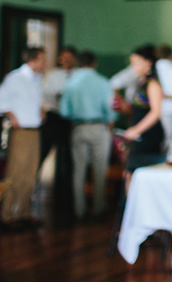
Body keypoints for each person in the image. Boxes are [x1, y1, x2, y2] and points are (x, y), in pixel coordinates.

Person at [59, 51, 117, 220]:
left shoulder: (71, 83)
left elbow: (64, 111)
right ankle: (99, 208)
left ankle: (79, 210)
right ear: (95, 63)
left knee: (78, 170)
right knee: (100, 169)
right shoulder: (103, 82)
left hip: (78, 127)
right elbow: (111, 108)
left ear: (78, 63)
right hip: (99, 127)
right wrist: (111, 123)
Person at [0, 47, 46, 227]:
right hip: (21, 131)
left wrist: (41, 109)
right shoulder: (15, 78)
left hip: (35, 130)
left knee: (30, 172)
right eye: (42, 59)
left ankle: (24, 211)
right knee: (15, 172)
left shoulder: (37, 80)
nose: (44, 63)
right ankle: (7, 214)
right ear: (33, 60)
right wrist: (11, 116)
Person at [120, 45, 165, 176]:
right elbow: (136, 109)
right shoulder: (139, 83)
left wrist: (137, 129)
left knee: (138, 172)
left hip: (148, 134)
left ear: (148, 63)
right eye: (133, 63)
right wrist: (123, 106)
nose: (134, 67)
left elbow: (156, 113)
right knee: (130, 172)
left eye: (137, 63)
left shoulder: (153, 85)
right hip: (138, 132)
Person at [40, 47, 77, 196]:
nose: (66, 60)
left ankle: (65, 190)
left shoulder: (79, 75)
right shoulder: (53, 75)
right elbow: (45, 94)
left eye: (69, 57)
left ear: (74, 59)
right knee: (44, 150)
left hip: (71, 119)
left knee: (68, 155)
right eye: (63, 57)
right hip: (54, 116)